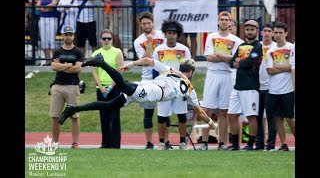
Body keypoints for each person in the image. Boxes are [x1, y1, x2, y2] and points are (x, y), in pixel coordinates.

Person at [59, 54, 218, 135]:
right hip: (155, 92)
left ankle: (73, 109)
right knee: (124, 87)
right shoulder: (190, 88)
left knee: (110, 105)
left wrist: (131, 65)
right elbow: (200, 112)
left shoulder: (170, 70)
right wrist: (212, 123)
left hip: (148, 85)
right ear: (191, 72)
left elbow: (149, 61)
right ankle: (101, 62)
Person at [199, 11, 244, 150]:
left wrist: (219, 54)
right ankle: (204, 142)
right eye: (222, 19)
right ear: (218, 22)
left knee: (224, 111)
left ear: (230, 23)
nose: (224, 22)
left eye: (227, 20)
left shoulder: (237, 41)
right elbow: (209, 57)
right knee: (207, 109)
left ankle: (222, 143)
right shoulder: (211, 37)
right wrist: (227, 57)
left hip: (227, 75)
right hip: (213, 74)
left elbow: (236, 61)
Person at [153, 19, 192, 150]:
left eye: (174, 33)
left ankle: (182, 142)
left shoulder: (184, 50)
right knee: (162, 116)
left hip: (179, 87)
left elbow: (190, 69)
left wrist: (186, 86)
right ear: (165, 34)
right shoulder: (159, 50)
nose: (171, 35)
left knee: (181, 115)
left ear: (177, 35)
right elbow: (154, 69)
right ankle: (162, 142)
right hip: (164, 87)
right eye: (169, 32)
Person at [227, 20, 263, 151]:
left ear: (257, 31)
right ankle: (235, 144)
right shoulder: (241, 46)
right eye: (247, 29)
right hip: (238, 86)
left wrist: (239, 62)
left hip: (251, 87)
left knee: (251, 116)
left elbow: (250, 63)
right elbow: (231, 63)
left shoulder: (258, 46)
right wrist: (239, 62)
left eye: (252, 29)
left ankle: (250, 144)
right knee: (231, 114)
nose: (249, 32)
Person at [133, 12, 166, 150]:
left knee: (164, 112)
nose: (147, 26)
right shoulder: (138, 41)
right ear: (140, 25)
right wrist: (149, 44)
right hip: (147, 79)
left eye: (149, 23)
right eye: (144, 24)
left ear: (153, 22)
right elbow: (143, 61)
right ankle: (149, 142)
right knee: (148, 113)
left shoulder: (162, 35)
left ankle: (164, 142)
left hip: (163, 77)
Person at [49, 25, 84, 148]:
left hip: (72, 86)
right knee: (55, 116)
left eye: (70, 34)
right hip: (58, 86)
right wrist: (69, 66)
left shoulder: (78, 52)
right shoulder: (58, 51)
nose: (68, 37)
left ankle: (75, 143)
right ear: (62, 36)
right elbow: (53, 67)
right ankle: (55, 143)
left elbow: (78, 69)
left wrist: (62, 66)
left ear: (73, 36)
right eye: (66, 34)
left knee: (74, 116)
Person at [92, 29, 124, 149]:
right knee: (103, 117)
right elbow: (94, 72)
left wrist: (111, 86)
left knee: (114, 117)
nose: (106, 40)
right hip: (101, 89)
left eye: (108, 38)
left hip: (114, 88)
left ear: (112, 39)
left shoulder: (117, 52)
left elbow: (120, 71)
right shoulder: (96, 53)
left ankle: (115, 144)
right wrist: (100, 87)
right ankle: (105, 144)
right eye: (104, 38)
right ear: (101, 39)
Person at [266, 22, 295, 151]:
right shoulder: (270, 50)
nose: (277, 35)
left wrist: (278, 66)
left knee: (290, 118)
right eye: (275, 33)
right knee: (278, 118)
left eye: (280, 33)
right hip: (273, 90)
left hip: (288, 89)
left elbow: (292, 67)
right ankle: (284, 144)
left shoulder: (291, 48)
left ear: (286, 33)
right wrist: (286, 67)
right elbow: (269, 70)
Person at [255, 23, 277, 151]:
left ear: (273, 33)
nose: (267, 33)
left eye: (270, 31)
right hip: (257, 85)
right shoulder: (257, 46)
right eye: (265, 31)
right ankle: (259, 143)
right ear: (261, 33)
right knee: (257, 116)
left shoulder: (275, 48)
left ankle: (271, 144)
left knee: (271, 116)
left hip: (271, 86)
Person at [36, 0, 59, 66]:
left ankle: (55, 60)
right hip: (42, 18)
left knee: (52, 40)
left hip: (52, 18)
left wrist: (42, 7)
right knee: (44, 41)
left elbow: (53, 4)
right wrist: (46, 8)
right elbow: (37, 6)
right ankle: (47, 60)